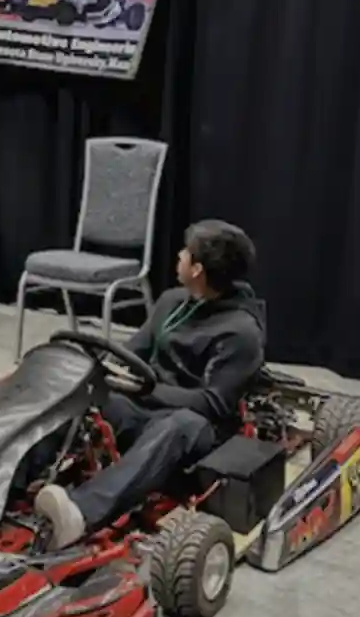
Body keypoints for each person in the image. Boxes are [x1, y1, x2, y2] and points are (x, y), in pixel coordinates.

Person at [33, 219, 266, 549]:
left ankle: (81, 513)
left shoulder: (241, 332)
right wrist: (101, 371)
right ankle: (8, 477)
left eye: (185, 253)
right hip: (143, 406)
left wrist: (146, 389)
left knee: (180, 426)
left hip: (199, 430)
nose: (179, 257)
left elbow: (215, 404)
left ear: (197, 269)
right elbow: (132, 353)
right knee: (80, 395)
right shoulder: (172, 302)